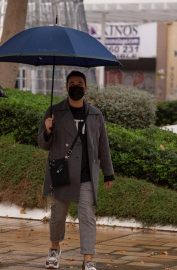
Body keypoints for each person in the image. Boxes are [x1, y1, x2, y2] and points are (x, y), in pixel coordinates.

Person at [37, 71, 115, 270]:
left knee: (87, 218)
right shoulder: (54, 112)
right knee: (57, 216)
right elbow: (43, 144)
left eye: (80, 83)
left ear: (86, 88)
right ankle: (54, 250)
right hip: (62, 173)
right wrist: (47, 130)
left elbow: (102, 145)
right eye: (72, 83)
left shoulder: (95, 115)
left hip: (86, 175)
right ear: (66, 87)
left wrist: (108, 172)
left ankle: (88, 260)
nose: (76, 86)